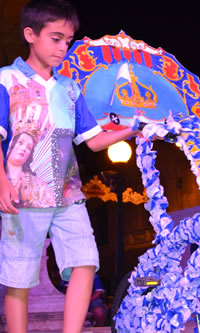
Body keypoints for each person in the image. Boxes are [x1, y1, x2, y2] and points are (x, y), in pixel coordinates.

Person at [0, 1, 139, 332]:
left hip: (68, 193)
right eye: (56, 38)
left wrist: (136, 126)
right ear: (30, 35)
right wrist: (3, 181)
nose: (63, 48)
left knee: (85, 262)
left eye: (68, 40)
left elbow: (91, 139)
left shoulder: (69, 88)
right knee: (20, 277)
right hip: (22, 194)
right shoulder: (7, 80)